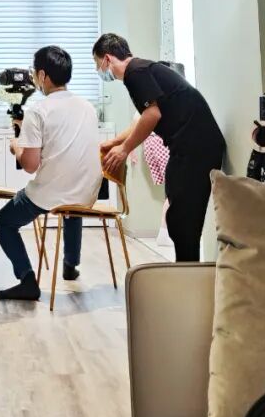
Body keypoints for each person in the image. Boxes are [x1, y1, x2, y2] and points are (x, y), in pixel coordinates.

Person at [94, 33, 225, 263]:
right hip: (193, 145)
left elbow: (152, 115)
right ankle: (187, 270)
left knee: (183, 219)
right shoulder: (142, 69)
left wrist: (124, 149)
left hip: (195, 147)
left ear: (107, 58)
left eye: (98, 65)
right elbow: (143, 119)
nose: (100, 71)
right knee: (180, 215)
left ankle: (188, 273)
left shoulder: (135, 73)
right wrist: (114, 143)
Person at [0, 46, 101, 301]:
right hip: (86, 192)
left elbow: (30, 165)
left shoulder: (38, 110)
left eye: (34, 73)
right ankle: (70, 265)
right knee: (71, 207)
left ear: (42, 75)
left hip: (51, 194)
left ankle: (27, 280)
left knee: (3, 222)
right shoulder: (88, 107)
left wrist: (16, 147)